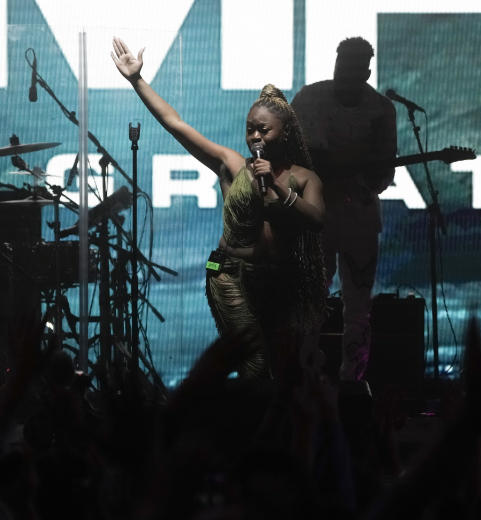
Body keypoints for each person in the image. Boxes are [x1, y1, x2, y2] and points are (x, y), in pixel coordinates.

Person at [110, 38, 327, 382]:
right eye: (250, 128)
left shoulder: (304, 178)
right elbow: (176, 124)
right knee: (254, 363)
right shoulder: (231, 164)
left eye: (264, 130)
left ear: (285, 134)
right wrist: (137, 80)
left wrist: (276, 187)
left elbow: (318, 220)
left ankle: (271, 431)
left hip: (279, 279)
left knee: (284, 365)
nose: (255, 136)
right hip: (227, 272)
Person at [291, 37, 397, 382]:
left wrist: (356, 179)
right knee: (311, 298)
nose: (343, 76)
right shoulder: (311, 98)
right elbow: (301, 158)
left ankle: (351, 379)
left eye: (351, 69)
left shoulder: (381, 111)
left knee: (357, 304)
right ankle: (306, 373)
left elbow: (383, 173)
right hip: (317, 215)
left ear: (365, 73)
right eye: (341, 67)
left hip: (358, 218)